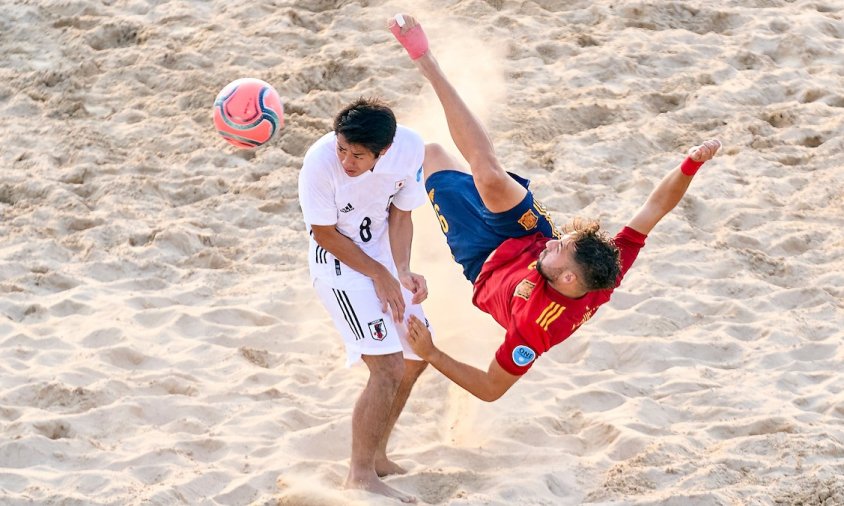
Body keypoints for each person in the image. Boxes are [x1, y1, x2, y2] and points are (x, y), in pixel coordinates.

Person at [389, 14, 721, 402]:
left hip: (481, 259)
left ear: (566, 280)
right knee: (490, 177)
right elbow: (654, 208)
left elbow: (491, 388)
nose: (555, 242)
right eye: (563, 240)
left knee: (431, 155)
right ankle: (427, 62)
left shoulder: (536, 328)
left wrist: (432, 352)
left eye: (560, 249)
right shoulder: (602, 267)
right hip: (524, 232)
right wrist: (691, 164)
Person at [298, 97, 433, 503]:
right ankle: (359, 475)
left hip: (381, 260)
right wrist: (379, 275)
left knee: (415, 356)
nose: (346, 161)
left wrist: (402, 271)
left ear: (384, 151)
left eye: (357, 155)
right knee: (388, 367)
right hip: (338, 265)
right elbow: (324, 233)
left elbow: (401, 215)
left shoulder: (409, 150)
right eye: (341, 148)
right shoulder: (320, 164)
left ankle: (377, 456)